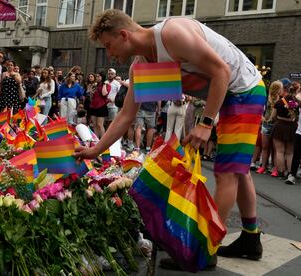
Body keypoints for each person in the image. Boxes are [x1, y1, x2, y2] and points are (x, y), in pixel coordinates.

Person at [75, 9, 266, 269]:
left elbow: (222, 72)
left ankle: (206, 251)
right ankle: (251, 238)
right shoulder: (141, 65)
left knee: (227, 172)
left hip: (243, 88)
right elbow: (126, 116)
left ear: (123, 35)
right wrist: (95, 150)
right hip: (226, 92)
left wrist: (206, 123)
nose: (109, 54)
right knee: (238, 169)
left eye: (109, 46)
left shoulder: (171, 34)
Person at [90, 71, 110, 138]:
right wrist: (91, 92)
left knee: (99, 124)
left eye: (98, 76)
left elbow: (104, 94)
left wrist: (104, 84)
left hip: (101, 106)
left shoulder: (107, 85)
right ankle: (96, 140)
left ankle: (102, 141)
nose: (97, 78)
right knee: (94, 124)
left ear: (102, 77)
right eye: (97, 76)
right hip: (93, 106)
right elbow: (91, 96)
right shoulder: (95, 85)